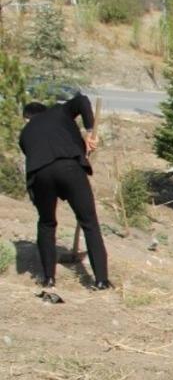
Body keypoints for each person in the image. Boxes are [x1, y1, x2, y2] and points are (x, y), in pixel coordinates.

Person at [19, 94, 109, 290]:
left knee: (46, 223)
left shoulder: (25, 134)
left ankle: (48, 278)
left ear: (28, 118)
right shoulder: (58, 111)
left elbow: (42, 151)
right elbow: (82, 100)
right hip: (69, 167)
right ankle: (101, 280)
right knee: (89, 222)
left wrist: (82, 141)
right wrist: (89, 131)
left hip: (40, 174)